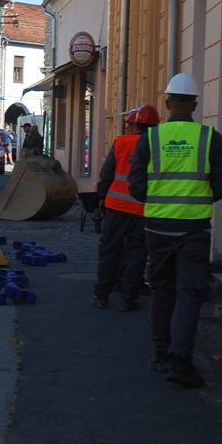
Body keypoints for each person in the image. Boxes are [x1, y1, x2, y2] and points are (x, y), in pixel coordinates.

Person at [128, 73, 222, 389]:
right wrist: (195, 198)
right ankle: (181, 360)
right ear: (195, 104)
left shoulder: (150, 139)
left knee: (162, 291)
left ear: (167, 102)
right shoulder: (210, 138)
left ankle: (161, 354)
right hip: (194, 230)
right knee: (189, 293)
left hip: (157, 228)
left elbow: (136, 187)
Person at [92, 105, 160, 311]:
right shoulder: (155, 145)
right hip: (142, 209)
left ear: (133, 125)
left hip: (116, 207)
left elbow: (107, 174)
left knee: (109, 251)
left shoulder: (121, 142)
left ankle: (102, 296)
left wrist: (101, 198)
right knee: (137, 254)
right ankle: (128, 298)